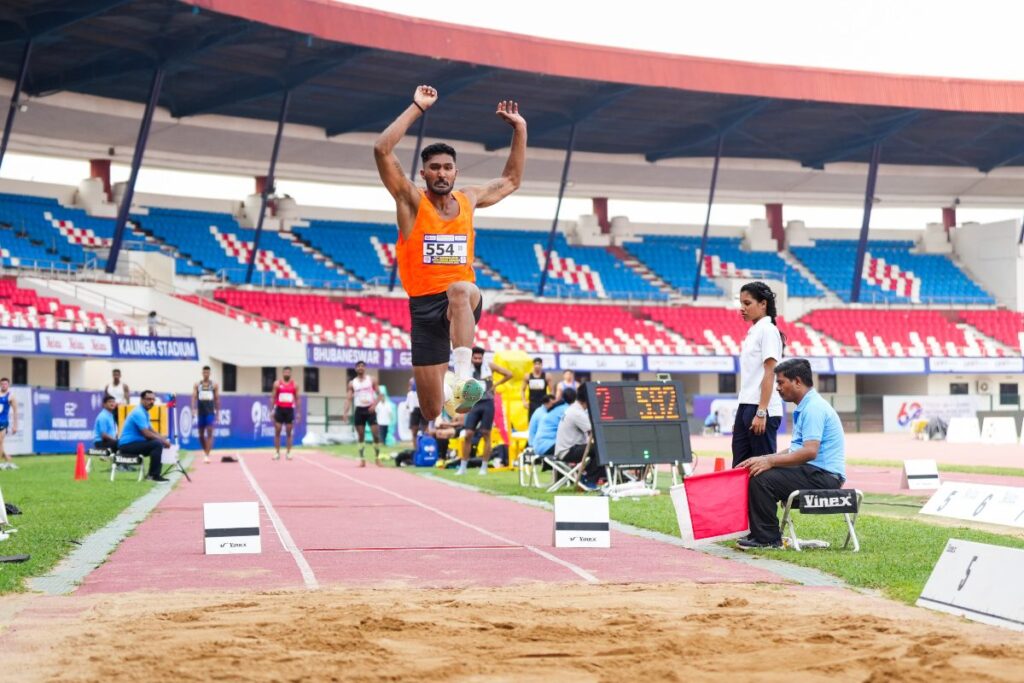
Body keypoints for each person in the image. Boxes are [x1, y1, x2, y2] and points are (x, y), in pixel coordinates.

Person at [374, 84, 527, 421]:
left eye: (447, 167)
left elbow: (511, 180)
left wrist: (520, 128)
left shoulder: (468, 199)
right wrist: (417, 107)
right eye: (435, 167)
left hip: (460, 302)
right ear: (423, 173)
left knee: (460, 289)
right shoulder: (411, 202)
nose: (441, 172)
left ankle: (462, 378)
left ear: (456, 172)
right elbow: (382, 149)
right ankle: (453, 397)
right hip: (423, 308)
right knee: (430, 412)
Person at [737, 359, 846, 550]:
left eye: (780, 382)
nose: (777, 388)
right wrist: (764, 459)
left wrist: (770, 461)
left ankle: (768, 539)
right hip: (814, 472)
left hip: (824, 476)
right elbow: (796, 450)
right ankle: (761, 534)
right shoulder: (806, 406)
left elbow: (810, 451)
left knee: (762, 479)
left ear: (797, 381)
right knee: (758, 470)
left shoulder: (813, 408)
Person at [732, 281, 785, 468]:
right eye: (741, 303)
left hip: (762, 408)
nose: (742, 308)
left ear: (763, 304)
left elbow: (770, 372)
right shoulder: (753, 332)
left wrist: (761, 412)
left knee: (761, 470)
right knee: (739, 467)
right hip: (746, 405)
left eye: (747, 303)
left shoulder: (768, 331)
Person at [456, 347, 513, 476]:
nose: (477, 360)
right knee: (468, 434)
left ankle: (484, 467)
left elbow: (509, 374)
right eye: (475, 358)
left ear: (483, 358)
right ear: (471, 358)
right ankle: (463, 467)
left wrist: (496, 384)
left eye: (479, 358)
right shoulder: (466, 368)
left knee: (486, 433)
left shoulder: (489, 366)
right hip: (473, 403)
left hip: (487, 403)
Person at [554, 384, 603, 489]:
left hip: (565, 449)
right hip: (567, 451)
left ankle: (587, 477)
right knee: (601, 449)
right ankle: (588, 480)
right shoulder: (577, 413)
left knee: (597, 449)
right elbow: (596, 433)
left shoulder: (574, 409)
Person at [118, 390, 171, 482]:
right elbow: (147, 434)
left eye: (153, 400)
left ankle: (153, 475)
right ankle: (153, 475)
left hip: (134, 444)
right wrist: (162, 441)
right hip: (127, 446)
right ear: (142, 400)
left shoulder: (145, 412)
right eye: (148, 399)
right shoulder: (139, 412)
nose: (151, 402)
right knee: (156, 444)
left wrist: (163, 438)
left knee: (157, 443)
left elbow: (151, 430)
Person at [342, 361, 381, 467]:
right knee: (361, 435)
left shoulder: (371, 380)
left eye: (362, 366)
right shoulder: (352, 383)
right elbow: (348, 399)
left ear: (365, 368)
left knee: (376, 435)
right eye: (358, 366)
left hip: (370, 410)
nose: (360, 368)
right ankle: (362, 459)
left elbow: (380, 395)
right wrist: (345, 413)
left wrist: (374, 405)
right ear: (355, 369)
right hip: (359, 410)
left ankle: (377, 458)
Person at [532, 388, 575, 458]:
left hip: (538, 445)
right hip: (547, 446)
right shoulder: (566, 410)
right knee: (577, 448)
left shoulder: (558, 408)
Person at [270, 367, 300, 461]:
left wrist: (298, 412)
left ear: (290, 374)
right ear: (282, 373)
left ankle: (289, 453)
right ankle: (277, 452)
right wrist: (272, 410)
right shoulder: (277, 384)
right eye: (285, 372)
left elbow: (297, 399)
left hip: (289, 410)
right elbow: (273, 397)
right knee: (277, 431)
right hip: (279, 409)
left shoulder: (295, 385)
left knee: (289, 432)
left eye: (288, 372)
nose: (287, 373)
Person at [191, 366, 220, 464]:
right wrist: (193, 409)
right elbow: (194, 397)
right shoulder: (197, 385)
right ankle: (205, 452)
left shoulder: (214, 385)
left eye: (207, 372)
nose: (206, 374)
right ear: (202, 373)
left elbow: (217, 399)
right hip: (201, 413)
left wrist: (218, 413)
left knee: (210, 432)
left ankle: (207, 455)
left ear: (210, 373)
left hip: (210, 412)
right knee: (200, 435)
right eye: (204, 372)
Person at [0, 377, 18, 471]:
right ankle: (7, 459)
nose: (4, 385)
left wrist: (15, 425)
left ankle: (5, 460)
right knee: (0, 444)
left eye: (5, 384)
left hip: (3, 422)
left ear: (8, 385)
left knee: (0, 442)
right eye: (2, 384)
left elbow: (15, 411)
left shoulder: (10, 396)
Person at [406, 378, 428, 445]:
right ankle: (417, 448)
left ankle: (424, 446)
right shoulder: (411, 393)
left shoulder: (411, 393)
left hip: (422, 409)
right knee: (416, 431)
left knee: (424, 431)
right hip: (417, 410)